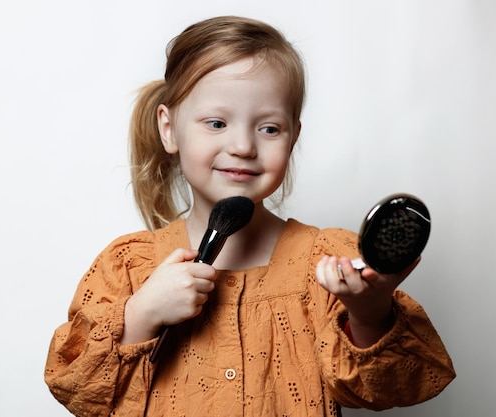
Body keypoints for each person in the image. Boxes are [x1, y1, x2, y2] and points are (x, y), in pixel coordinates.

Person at [44, 15, 455, 417]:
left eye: (269, 129)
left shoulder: (327, 262)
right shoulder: (128, 268)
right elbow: (79, 392)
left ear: (294, 135)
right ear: (169, 129)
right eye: (217, 122)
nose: (242, 145)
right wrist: (140, 315)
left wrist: (370, 310)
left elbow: (390, 388)